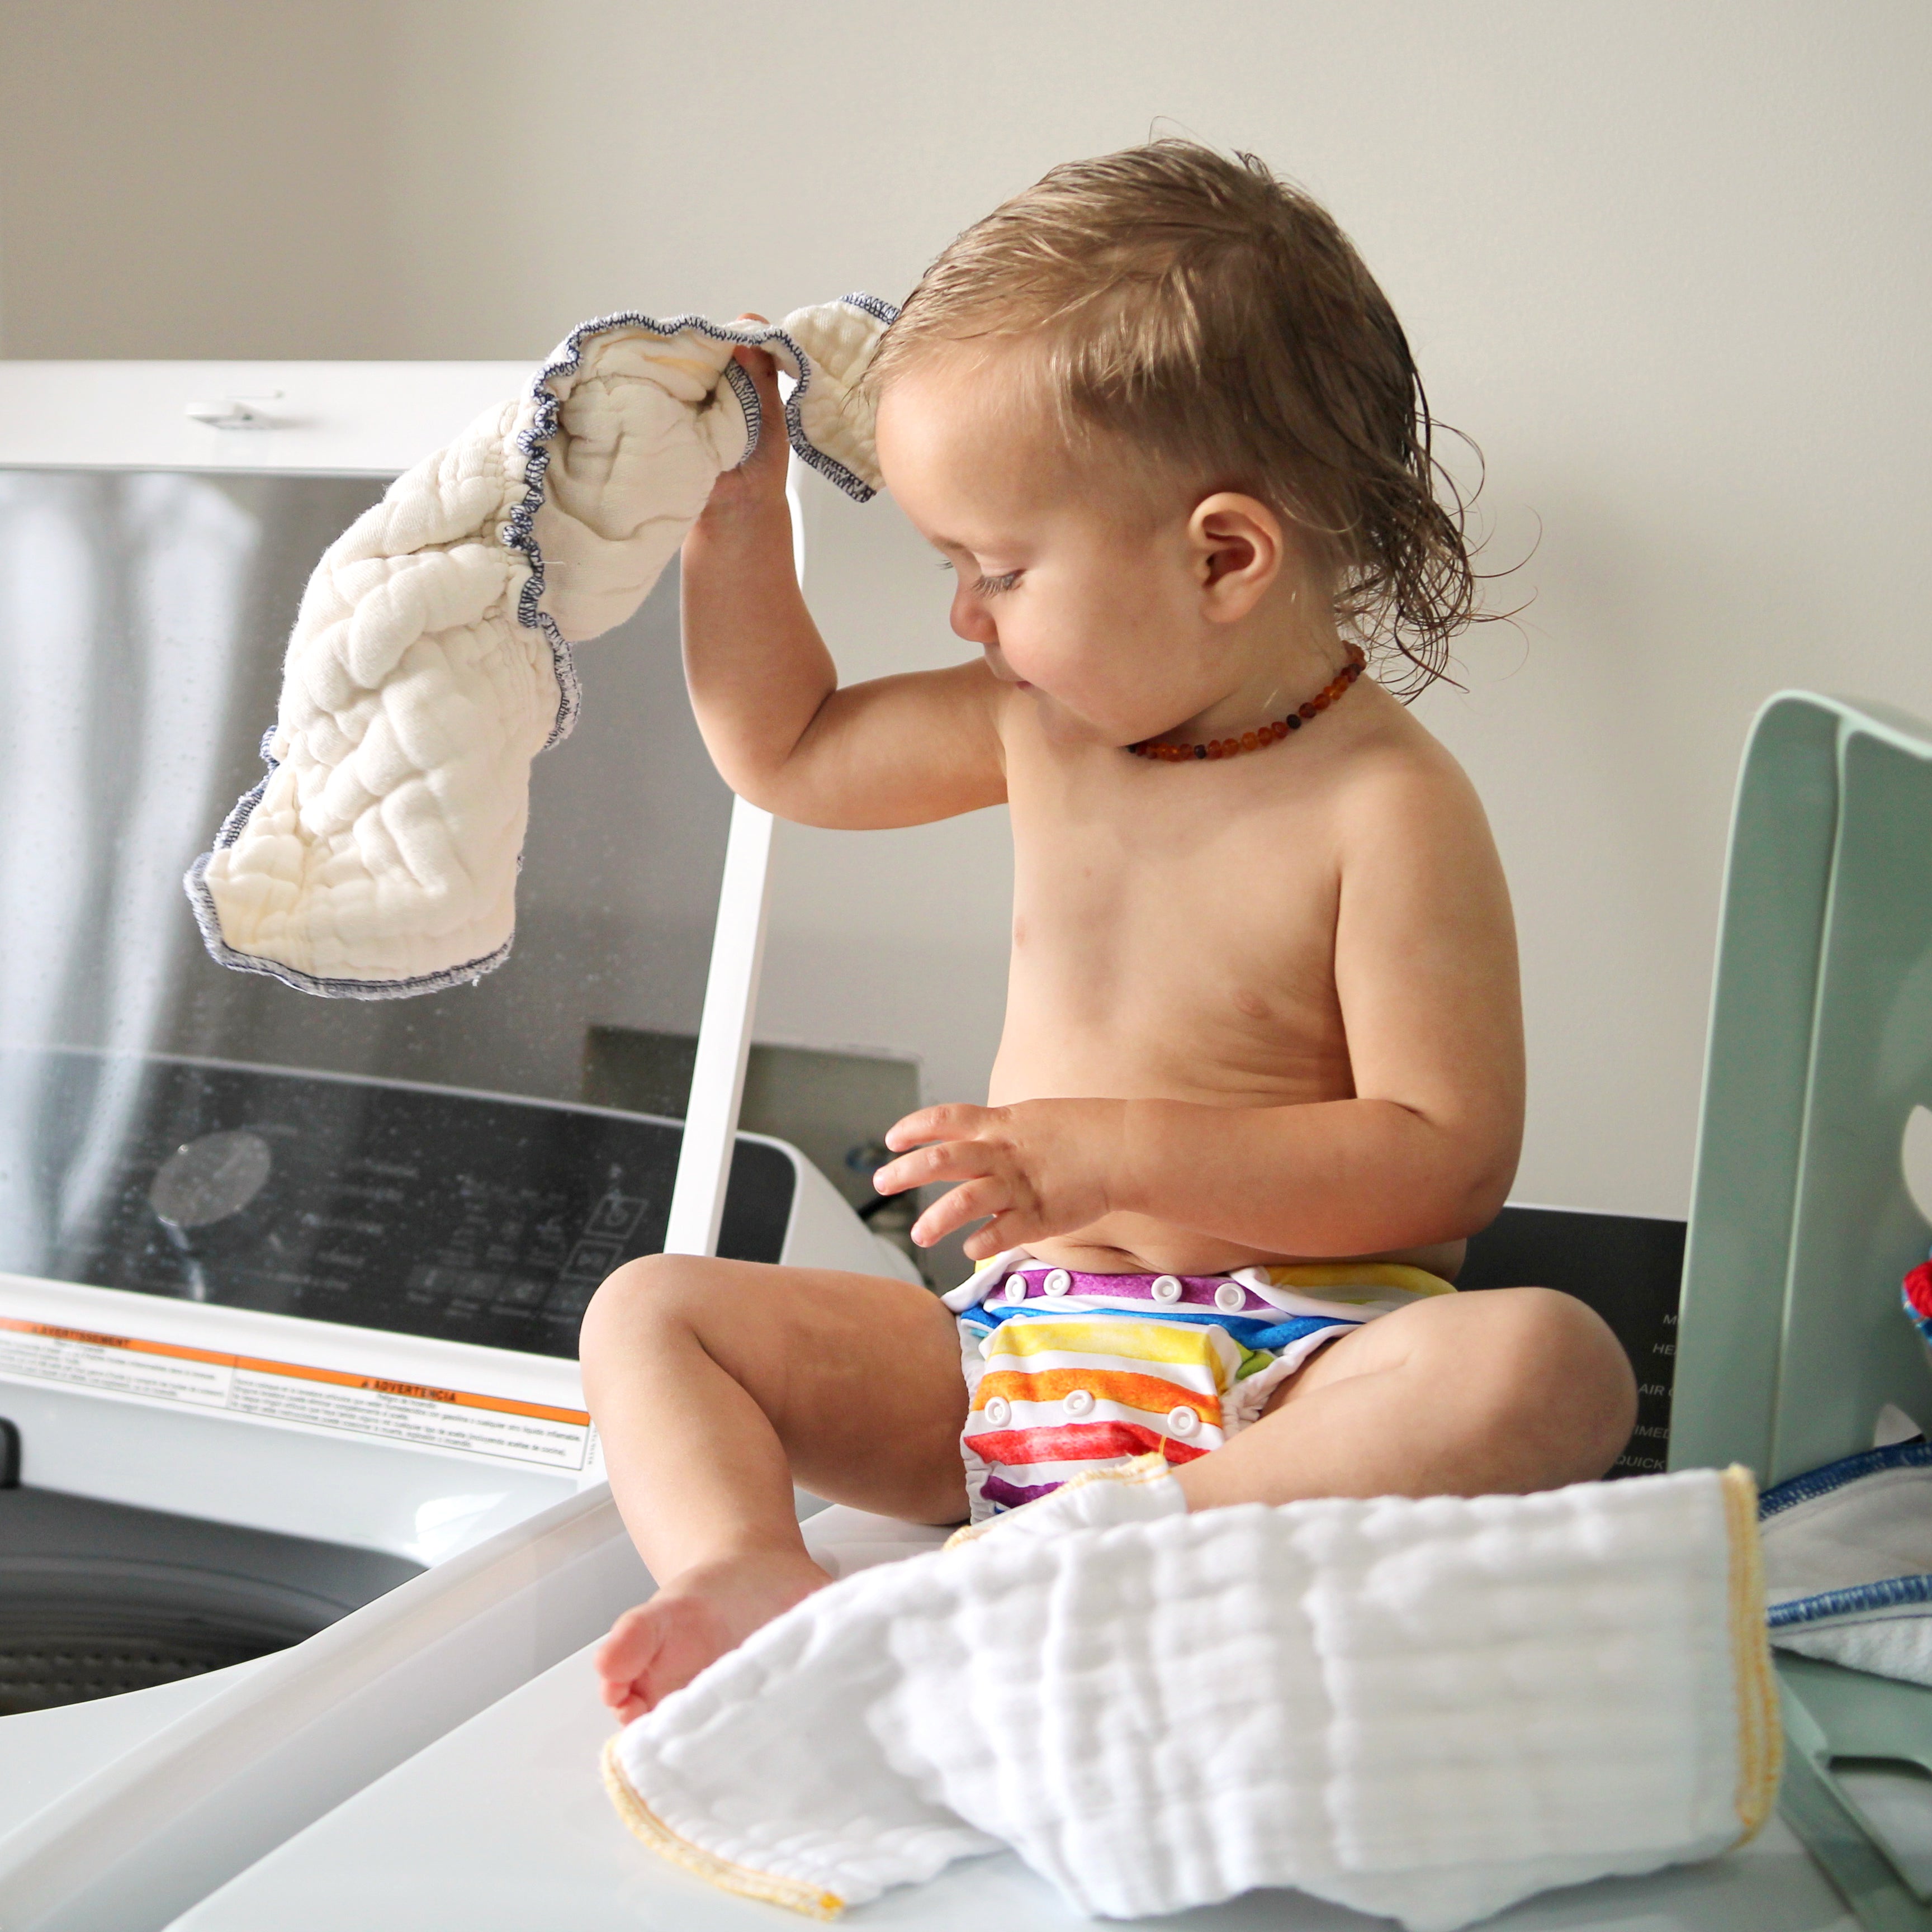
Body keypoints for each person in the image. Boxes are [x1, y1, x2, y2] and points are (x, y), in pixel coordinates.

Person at [583, 141, 1636, 1722]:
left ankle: (1117, 1558)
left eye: (996, 569)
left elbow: (1445, 1160)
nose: (964, 617)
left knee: (1550, 1366)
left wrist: (1114, 1156)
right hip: (1017, 1360)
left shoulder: (1386, 807)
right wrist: (737, 530)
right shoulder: (1039, 726)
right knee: (651, 1309)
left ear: (1222, 557)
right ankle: (745, 1571)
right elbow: (788, 750)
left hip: (1294, 1376)